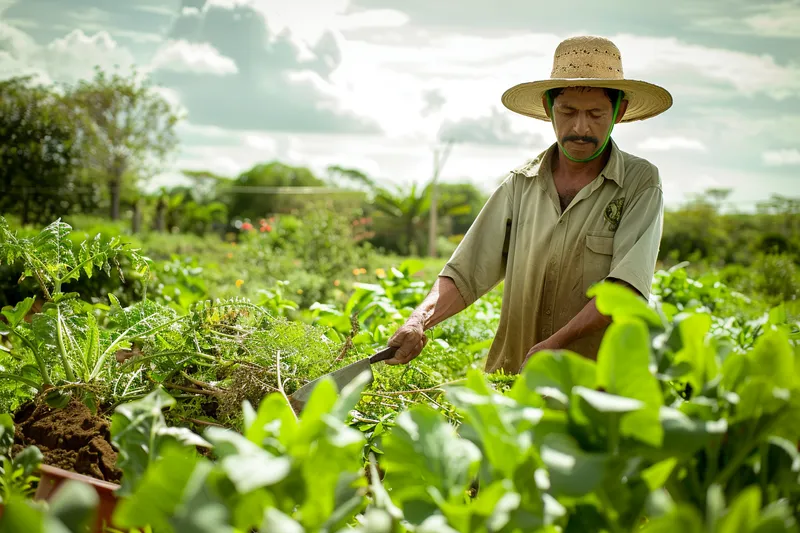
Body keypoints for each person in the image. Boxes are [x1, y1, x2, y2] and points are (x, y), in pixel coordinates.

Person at [384, 35, 672, 374]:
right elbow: (465, 273)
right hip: (514, 381)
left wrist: (556, 344)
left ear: (618, 112)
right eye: (567, 111)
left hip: (594, 393)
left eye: (595, 113)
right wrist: (419, 320)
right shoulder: (520, 185)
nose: (580, 127)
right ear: (550, 109)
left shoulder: (639, 183)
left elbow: (626, 289)